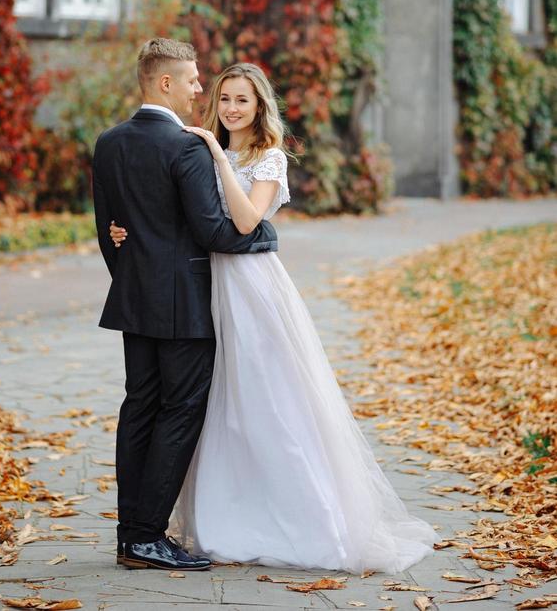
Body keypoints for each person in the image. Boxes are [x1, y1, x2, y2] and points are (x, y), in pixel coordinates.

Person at [109, 61, 437, 572]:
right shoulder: (188, 146)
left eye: (242, 100)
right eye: (224, 99)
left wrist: (219, 157)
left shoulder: (266, 157)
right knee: (215, 407)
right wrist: (125, 232)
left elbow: (244, 221)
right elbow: (172, 213)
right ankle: (210, 517)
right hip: (203, 284)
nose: (230, 108)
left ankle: (289, 516)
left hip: (248, 287)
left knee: (266, 397)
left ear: (260, 106)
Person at [92, 39, 278, 572]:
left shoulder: (109, 142)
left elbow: (108, 234)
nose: (203, 89)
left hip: (135, 300)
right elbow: (215, 230)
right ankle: (148, 536)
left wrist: (135, 275)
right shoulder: (187, 147)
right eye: (195, 80)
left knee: (138, 410)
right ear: (166, 83)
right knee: (179, 413)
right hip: (187, 307)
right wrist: (264, 237)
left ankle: (131, 535)